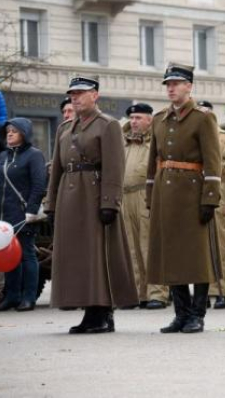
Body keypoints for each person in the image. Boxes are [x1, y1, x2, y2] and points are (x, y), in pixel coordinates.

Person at [45, 76, 138, 333]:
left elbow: (115, 167)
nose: (75, 97)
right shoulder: (65, 128)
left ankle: (102, 313)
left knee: (97, 256)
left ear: (95, 95)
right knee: (76, 257)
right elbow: (57, 170)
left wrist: (110, 202)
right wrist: (50, 204)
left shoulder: (107, 125)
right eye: (72, 93)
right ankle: (89, 310)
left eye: (81, 93)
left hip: (94, 195)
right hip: (68, 196)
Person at [146, 64, 222, 334]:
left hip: (193, 194)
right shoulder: (159, 119)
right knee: (172, 256)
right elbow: (153, 160)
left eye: (176, 83)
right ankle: (181, 313)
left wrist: (210, 198)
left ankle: (197, 314)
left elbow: (213, 161)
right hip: (165, 195)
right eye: (168, 84)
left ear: (189, 86)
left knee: (197, 258)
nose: (171, 88)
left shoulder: (203, 118)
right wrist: (149, 195)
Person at [122, 103, 169, 310]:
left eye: (139, 118)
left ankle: (157, 293)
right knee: (131, 248)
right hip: (125, 197)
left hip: (147, 194)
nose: (134, 122)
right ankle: (138, 293)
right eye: (132, 118)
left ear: (150, 120)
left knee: (149, 246)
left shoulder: (157, 141)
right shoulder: (125, 142)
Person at [0, 118, 47, 312]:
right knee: (8, 254)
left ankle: (29, 297)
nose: (9, 134)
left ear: (24, 134)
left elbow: (38, 185)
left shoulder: (34, 155)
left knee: (26, 254)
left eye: (14, 131)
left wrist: (31, 210)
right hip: (5, 215)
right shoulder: (3, 156)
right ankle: (12, 296)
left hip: (23, 214)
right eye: (8, 131)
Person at [197, 100, 225, 310]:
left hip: (221, 194)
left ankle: (221, 291)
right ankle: (202, 293)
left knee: (220, 246)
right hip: (196, 195)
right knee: (198, 248)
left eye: (207, 112)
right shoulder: (193, 135)